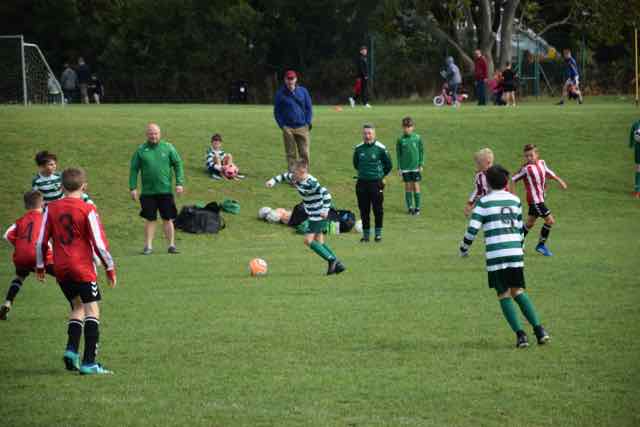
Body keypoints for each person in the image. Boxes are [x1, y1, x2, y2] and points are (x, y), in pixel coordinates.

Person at [36, 167, 117, 374]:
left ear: (61, 187)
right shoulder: (87, 209)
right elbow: (99, 243)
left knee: (77, 306)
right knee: (92, 310)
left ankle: (72, 351)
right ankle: (89, 363)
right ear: (84, 186)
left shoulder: (50, 208)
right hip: (82, 268)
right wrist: (109, 267)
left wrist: (40, 265)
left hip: (61, 269)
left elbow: (40, 241)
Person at [459, 165, 550, 348]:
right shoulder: (515, 200)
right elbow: (519, 228)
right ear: (506, 182)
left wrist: (463, 248)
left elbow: (472, 229)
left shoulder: (483, 202)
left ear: (488, 183)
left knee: (504, 294)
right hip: (515, 252)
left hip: (497, 255)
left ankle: (521, 336)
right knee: (518, 291)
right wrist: (520, 247)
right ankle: (540, 331)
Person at [266, 160, 345, 275]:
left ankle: (332, 260)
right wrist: (272, 181)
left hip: (318, 215)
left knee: (308, 241)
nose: (293, 175)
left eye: (295, 172)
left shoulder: (311, 183)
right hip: (313, 214)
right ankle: (338, 264)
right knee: (319, 241)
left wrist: (325, 210)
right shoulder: (296, 177)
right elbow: (284, 176)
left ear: (302, 171)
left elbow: (326, 194)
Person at [129, 123, 185, 255]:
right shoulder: (141, 150)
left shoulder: (168, 147)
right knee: (150, 219)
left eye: (155, 133)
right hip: (148, 192)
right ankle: (148, 246)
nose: (153, 136)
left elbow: (178, 164)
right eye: (151, 133)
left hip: (165, 191)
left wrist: (179, 183)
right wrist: (133, 187)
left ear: (160, 134)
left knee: (167, 218)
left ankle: (171, 245)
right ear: (146, 134)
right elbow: (134, 169)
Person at [0, 191, 55, 320]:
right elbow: (48, 239)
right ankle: (78, 304)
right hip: (40, 256)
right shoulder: (45, 219)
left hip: (21, 257)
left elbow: (7, 235)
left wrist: (20, 245)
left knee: (19, 277)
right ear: (42, 204)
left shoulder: (20, 220)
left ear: (26, 206)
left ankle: (7, 303)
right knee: (64, 275)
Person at [511, 144, 568, 257]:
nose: (529, 158)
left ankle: (516, 243)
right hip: (535, 201)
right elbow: (512, 180)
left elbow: (549, 172)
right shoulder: (526, 169)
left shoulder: (542, 163)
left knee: (529, 223)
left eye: (531, 155)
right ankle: (541, 245)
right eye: (526, 156)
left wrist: (559, 180)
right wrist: (512, 195)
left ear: (537, 154)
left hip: (540, 199)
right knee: (550, 221)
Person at [353, 123, 392, 242]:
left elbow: (389, 165)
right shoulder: (358, 148)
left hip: (376, 183)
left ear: (374, 134)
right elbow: (356, 164)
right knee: (364, 210)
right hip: (362, 183)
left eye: (369, 133)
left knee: (378, 210)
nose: (367, 136)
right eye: (365, 133)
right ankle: (366, 236)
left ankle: (378, 234)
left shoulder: (381, 148)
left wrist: (380, 176)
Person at [273, 70, 313, 172]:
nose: (290, 81)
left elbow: (309, 108)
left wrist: (308, 123)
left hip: (302, 126)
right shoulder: (280, 94)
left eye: (292, 78)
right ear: (285, 80)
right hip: (288, 128)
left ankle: (303, 174)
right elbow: (277, 112)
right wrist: (282, 126)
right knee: (290, 153)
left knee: (304, 152)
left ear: (296, 79)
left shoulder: (303, 91)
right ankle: (292, 174)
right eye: (288, 79)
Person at [396, 117, 424, 215]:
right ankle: (410, 208)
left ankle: (417, 208)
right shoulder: (400, 140)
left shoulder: (417, 138)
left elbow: (421, 151)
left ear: (413, 127)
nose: (407, 129)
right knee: (408, 187)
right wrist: (399, 167)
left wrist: (421, 164)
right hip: (405, 168)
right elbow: (398, 155)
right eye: (405, 127)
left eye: (409, 127)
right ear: (402, 127)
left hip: (415, 167)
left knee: (416, 186)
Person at [464, 148, 494, 217]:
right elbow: (478, 190)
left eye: (479, 163)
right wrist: (470, 204)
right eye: (477, 163)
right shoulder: (479, 175)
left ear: (488, 162)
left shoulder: (498, 175)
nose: (477, 165)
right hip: (486, 206)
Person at [629, 120, 640, 198]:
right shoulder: (636, 124)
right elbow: (632, 134)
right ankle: (637, 190)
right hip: (638, 149)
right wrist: (631, 143)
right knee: (638, 168)